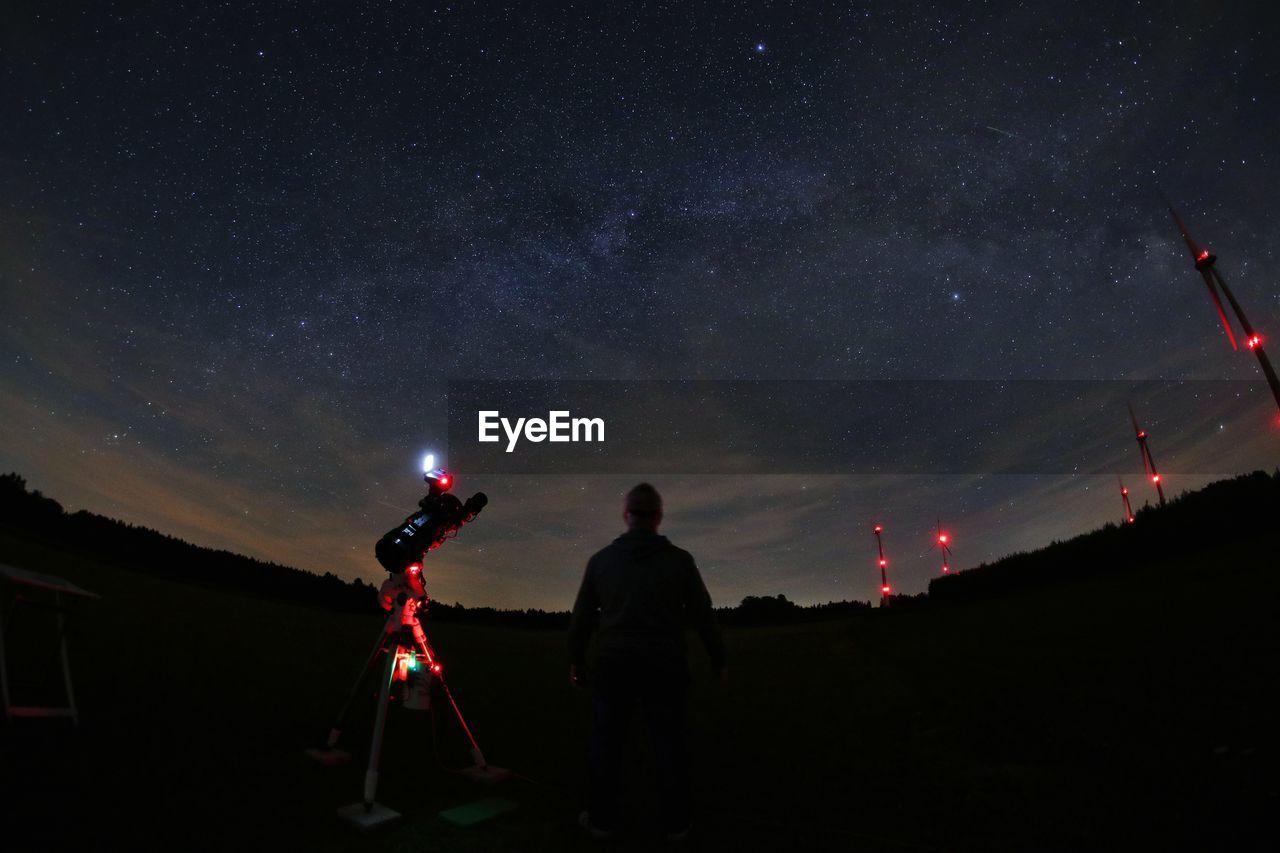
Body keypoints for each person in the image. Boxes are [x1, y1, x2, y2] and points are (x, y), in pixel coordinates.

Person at [569, 482, 726, 841]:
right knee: (669, 744)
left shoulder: (601, 561)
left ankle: (601, 819)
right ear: (658, 516)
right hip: (665, 664)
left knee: (607, 744)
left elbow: (581, 619)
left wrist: (577, 659)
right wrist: (719, 659)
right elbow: (704, 615)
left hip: (613, 665)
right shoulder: (680, 561)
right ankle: (676, 822)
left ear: (626, 515)